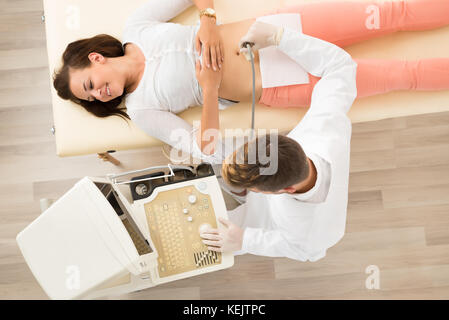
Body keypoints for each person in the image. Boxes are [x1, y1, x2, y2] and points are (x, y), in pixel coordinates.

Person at [53, 0, 449, 163]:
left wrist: (207, 20)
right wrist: (209, 89)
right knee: (403, 75)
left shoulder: (137, 26)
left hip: (283, 30)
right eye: (92, 99)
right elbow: (206, 149)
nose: (100, 94)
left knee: (392, 12)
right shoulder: (142, 110)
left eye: (90, 84)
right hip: (284, 82)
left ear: (96, 58)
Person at [199, 21, 358, 261]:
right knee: (208, 153)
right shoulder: (324, 127)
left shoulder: (308, 231)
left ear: (286, 190)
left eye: (252, 188)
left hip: (266, 223)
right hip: (272, 194)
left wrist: (244, 240)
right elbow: (341, 67)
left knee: (205, 241)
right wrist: (280, 37)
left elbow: (303, 250)